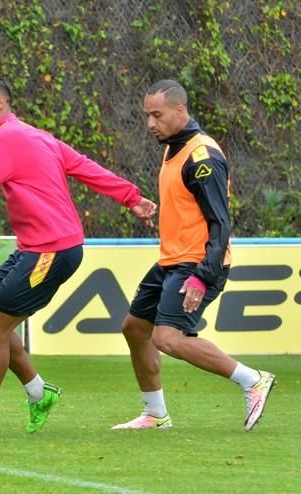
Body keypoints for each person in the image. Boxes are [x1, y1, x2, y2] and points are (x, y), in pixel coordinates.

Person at [0, 75, 157, 437]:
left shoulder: (7, 141)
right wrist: (131, 198)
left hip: (51, 250)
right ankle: (39, 393)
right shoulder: (36, 136)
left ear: (0, 104)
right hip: (37, 248)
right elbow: (85, 167)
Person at [112, 80, 275, 432]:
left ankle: (253, 380)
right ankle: (155, 414)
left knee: (167, 337)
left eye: (157, 115)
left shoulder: (202, 156)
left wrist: (202, 274)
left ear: (179, 110)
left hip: (197, 264)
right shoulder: (173, 148)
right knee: (135, 328)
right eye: (147, 116)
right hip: (171, 260)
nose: (150, 123)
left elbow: (220, 223)